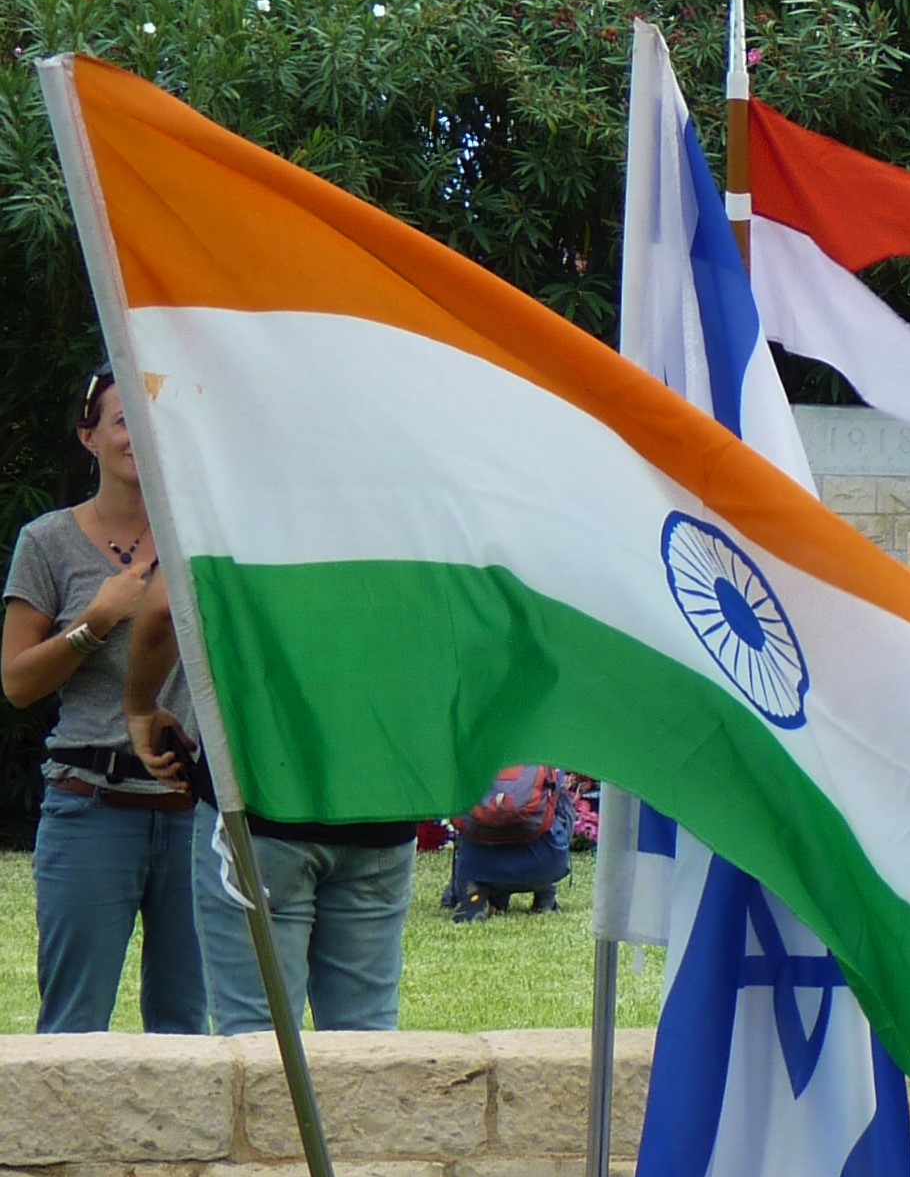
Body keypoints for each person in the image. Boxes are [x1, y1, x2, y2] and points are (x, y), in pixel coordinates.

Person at [121, 582, 418, 1037]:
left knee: (257, 1041)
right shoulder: (402, 513)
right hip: (383, 799)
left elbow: (165, 605)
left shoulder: (235, 507)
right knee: (368, 1037)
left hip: (260, 802)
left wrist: (140, 707)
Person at [2, 368, 203, 1033]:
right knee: (72, 1029)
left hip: (192, 815)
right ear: (88, 436)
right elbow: (18, 682)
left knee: (188, 1030)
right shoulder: (47, 541)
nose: (139, 437)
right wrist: (92, 622)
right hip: (91, 806)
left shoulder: (200, 538)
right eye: (123, 422)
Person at [441, 765, 577, 920]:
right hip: (544, 866)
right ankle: (545, 897)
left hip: (477, 865)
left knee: (472, 823)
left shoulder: (471, 754)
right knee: (557, 805)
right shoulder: (544, 754)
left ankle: (473, 898)